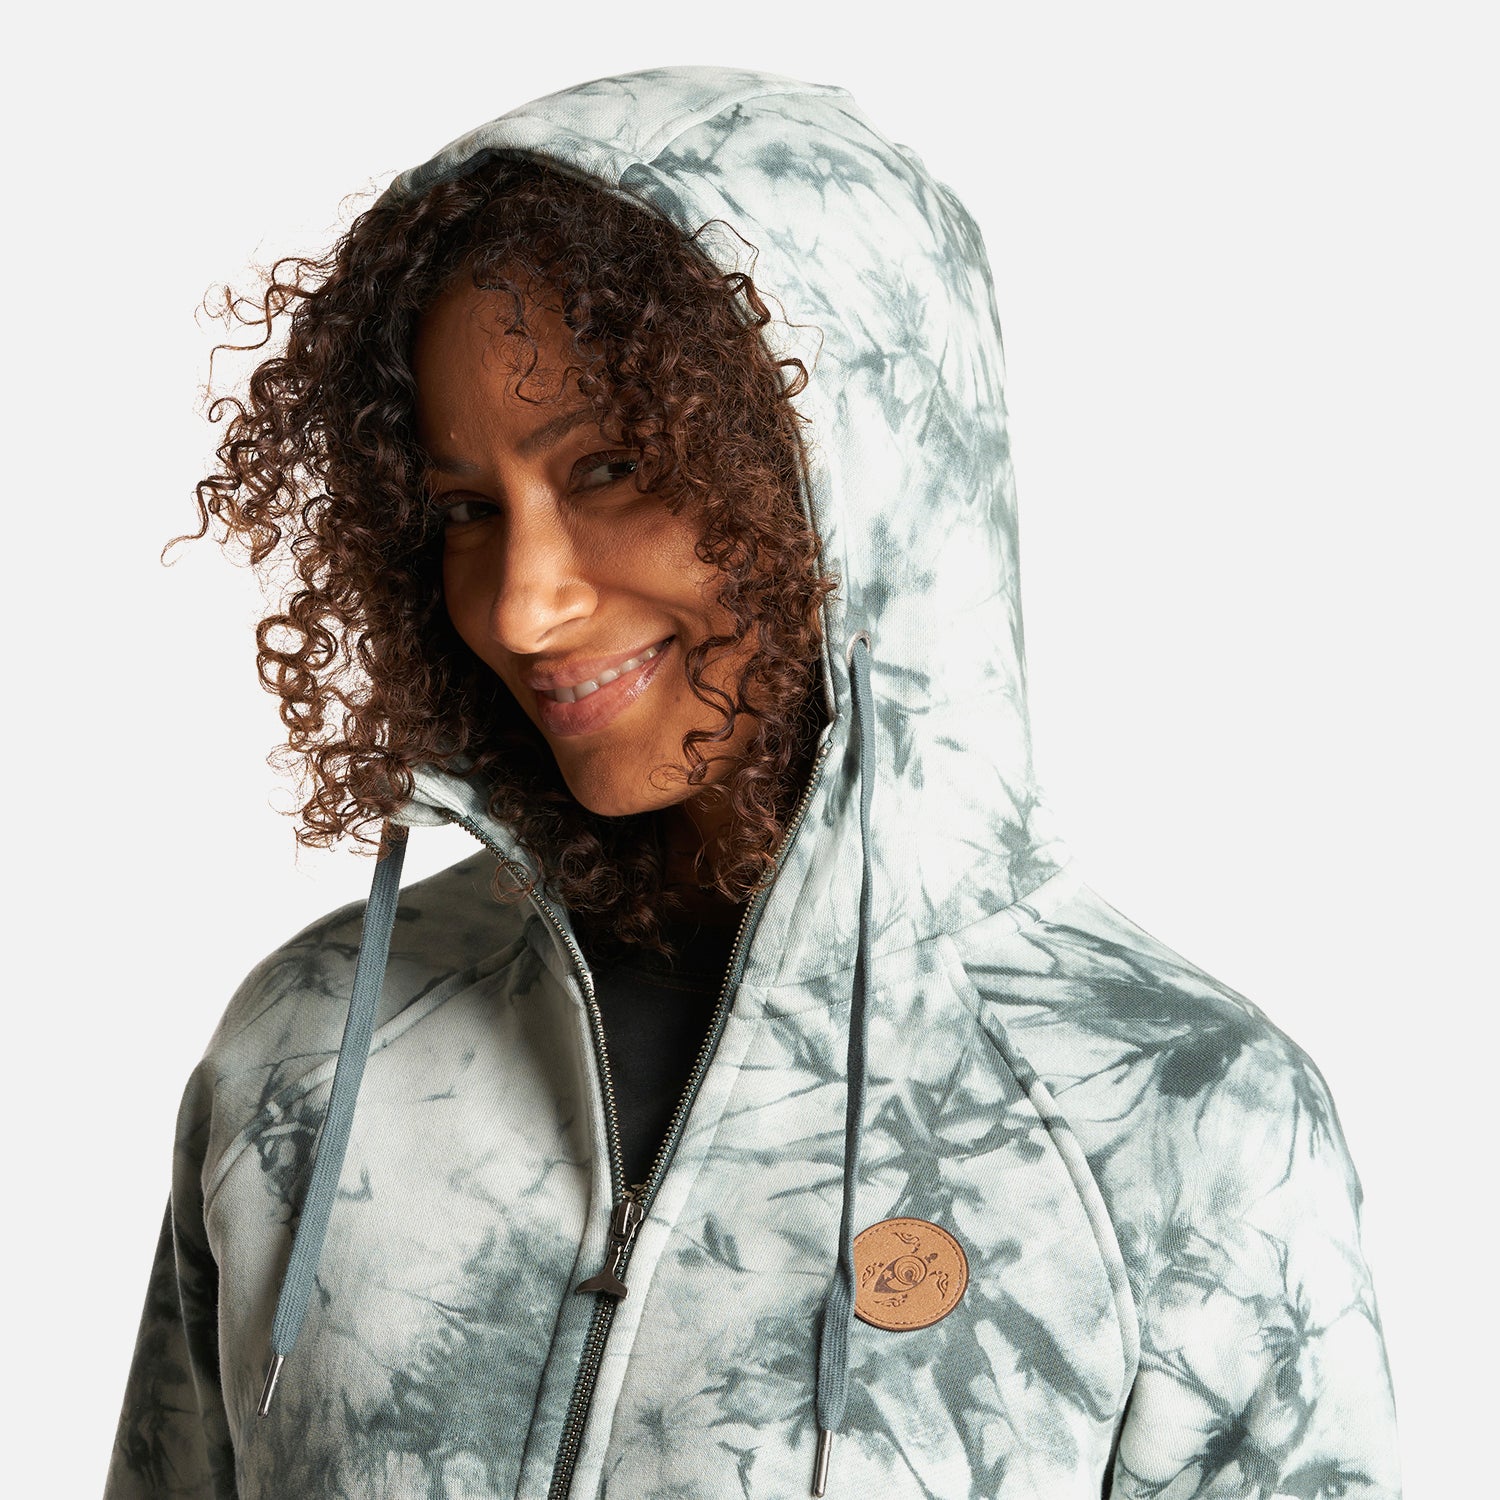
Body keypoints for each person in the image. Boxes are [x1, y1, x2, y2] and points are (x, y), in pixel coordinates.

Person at [104, 65, 1401, 1500]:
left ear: (850, 476)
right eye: (468, 508)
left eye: (609, 468)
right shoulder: (310, 1047)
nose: (524, 605)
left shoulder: (1182, 1125)